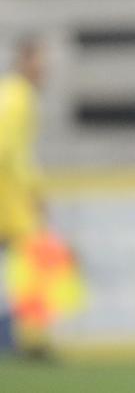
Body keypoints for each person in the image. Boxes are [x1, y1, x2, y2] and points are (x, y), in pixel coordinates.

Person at [0, 35, 47, 356]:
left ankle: (15, 339)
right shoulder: (17, 97)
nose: (45, 69)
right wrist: (32, 189)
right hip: (9, 199)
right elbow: (6, 150)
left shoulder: (12, 94)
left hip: (11, 196)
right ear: (25, 60)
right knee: (30, 267)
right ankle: (23, 340)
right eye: (40, 60)